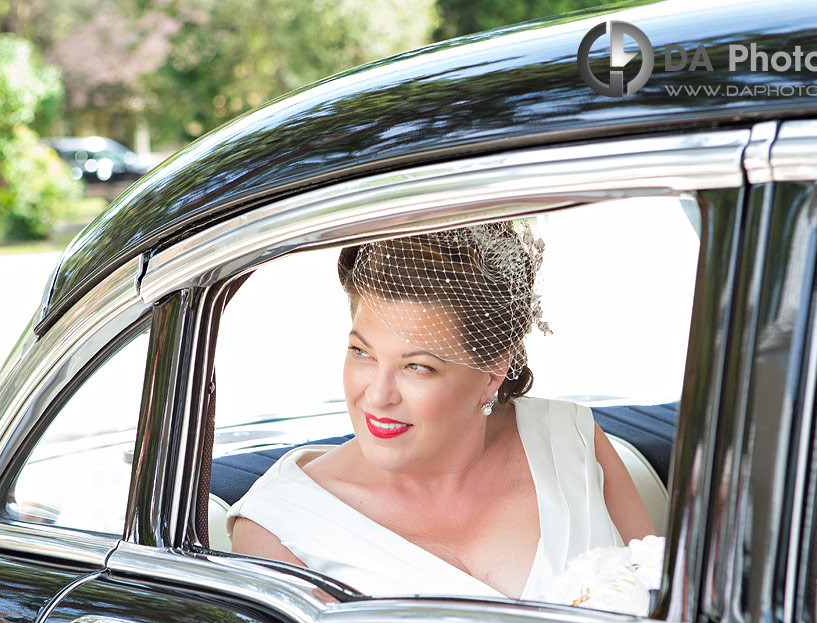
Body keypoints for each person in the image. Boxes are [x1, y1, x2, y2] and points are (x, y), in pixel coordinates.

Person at [228, 221, 655, 599]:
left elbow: (668, 610)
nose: (377, 396)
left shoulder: (571, 441)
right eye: (362, 352)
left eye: (418, 367)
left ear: (492, 372)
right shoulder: (280, 526)